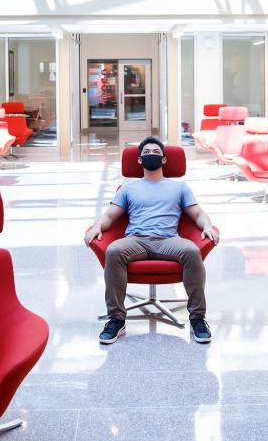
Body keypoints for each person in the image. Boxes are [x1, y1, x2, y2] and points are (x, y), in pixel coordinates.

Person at [85, 136, 219, 345]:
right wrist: (96, 226)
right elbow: (110, 216)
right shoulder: (128, 188)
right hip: (136, 240)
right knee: (113, 251)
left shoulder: (179, 187)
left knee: (192, 251)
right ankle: (117, 319)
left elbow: (197, 214)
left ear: (164, 160)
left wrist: (208, 226)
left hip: (168, 240)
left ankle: (197, 319)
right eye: (146, 153)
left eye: (156, 153)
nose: (151, 156)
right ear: (139, 160)